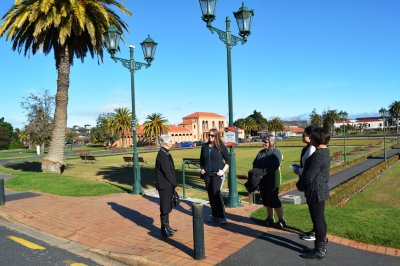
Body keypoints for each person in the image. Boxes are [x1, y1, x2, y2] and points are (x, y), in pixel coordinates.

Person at [296, 127, 330, 259]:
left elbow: (309, 176)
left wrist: (299, 185)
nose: (310, 139)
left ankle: (320, 249)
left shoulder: (318, 154)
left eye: (312, 137)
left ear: (316, 139)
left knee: (318, 220)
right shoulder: (325, 151)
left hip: (315, 190)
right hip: (320, 189)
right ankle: (321, 243)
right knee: (320, 219)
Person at [253, 135, 286, 229]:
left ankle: (281, 220)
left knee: (274, 200)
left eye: (265, 142)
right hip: (262, 179)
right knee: (266, 200)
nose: (263, 143)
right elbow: (255, 163)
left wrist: (262, 173)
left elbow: (274, 166)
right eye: (263, 141)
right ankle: (270, 218)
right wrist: (257, 173)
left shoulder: (276, 152)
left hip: (273, 179)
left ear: (271, 142)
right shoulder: (261, 152)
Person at [200, 128, 230, 225]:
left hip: (217, 174)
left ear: (216, 136)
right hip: (207, 175)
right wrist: (202, 169)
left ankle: (222, 216)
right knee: (211, 195)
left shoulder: (221, 146)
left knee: (216, 194)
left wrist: (223, 171)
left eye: (212, 135)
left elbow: (228, 160)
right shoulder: (204, 146)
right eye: (209, 135)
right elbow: (201, 160)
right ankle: (214, 215)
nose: (210, 137)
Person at [292, 126, 316, 241]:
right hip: (307, 182)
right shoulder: (307, 148)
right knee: (312, 209)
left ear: (310, 136)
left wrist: (298, 170)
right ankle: (315, 230)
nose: (302, 135)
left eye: (304, 134)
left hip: (311, 184)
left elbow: (309, 169)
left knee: (315, 210)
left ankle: (316, 233)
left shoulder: (312, 148)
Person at [155, 134, 178, 238]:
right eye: (171, 141)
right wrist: (174, 183)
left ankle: (167, 226)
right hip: (164, 185)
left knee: (167, 206)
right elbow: (167, 172)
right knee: (164, 207)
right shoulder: (162, 155)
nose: (172, 142)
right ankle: (164, 229)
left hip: (167, 185)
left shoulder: (165, 153)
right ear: (166, 143)